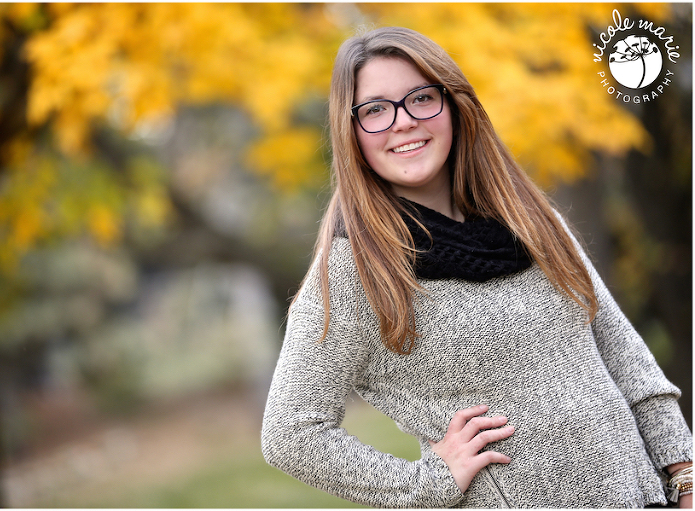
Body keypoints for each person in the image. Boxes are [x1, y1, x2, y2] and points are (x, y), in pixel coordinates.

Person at [260, 26, 692, 508]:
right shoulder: (355, 268)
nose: (402, 122)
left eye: (421, 98)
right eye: (376, 110)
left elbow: (620, 351)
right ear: (351, 131)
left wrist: (683, 472)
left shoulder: (529, 216)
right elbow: (290, 432)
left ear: (454, 106)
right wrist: (429, 482)